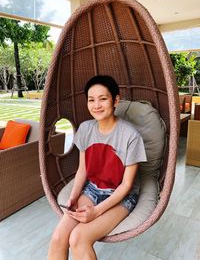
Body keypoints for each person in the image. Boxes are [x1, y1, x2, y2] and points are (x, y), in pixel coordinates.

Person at [48, 75, 147, 260]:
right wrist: (73, 197)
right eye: (91, 100)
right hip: (93, 189)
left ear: (115, 100)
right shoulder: (86, 129)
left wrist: (96, 211)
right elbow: (83, 170)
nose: (97, 105)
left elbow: (126, 185)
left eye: (103, 99)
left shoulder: (131, 135)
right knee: (58, 237)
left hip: (120, 196)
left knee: (78, 238)